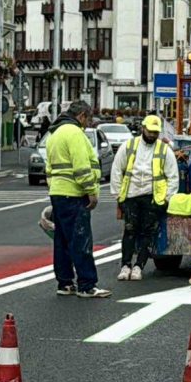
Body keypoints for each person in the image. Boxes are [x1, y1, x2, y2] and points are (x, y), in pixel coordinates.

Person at [45, 101, 112, 298]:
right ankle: (87, 285)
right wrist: (91, 190)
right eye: (88, 119)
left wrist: (55, 188)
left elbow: (49, 168)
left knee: (62, 241)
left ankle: (65, 283)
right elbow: (82, 166)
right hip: (75, 193)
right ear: (82, 115)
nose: (88, 124)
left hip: (58, 191)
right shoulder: (75, 134)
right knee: (81, 240)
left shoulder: (54, 134)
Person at [110, 115, 179, 281]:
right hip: (131, 195)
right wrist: (118, 195)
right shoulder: (129, 146)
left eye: (156, 132)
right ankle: (125, 265)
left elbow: (173, 176)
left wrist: (167, 199)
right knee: (130, 229)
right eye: (150, 131)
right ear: (143, 128)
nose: (153, 135)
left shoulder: (164, 150)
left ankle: (139, 266)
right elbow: (117, 170)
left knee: (148, 232)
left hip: (152, 197)